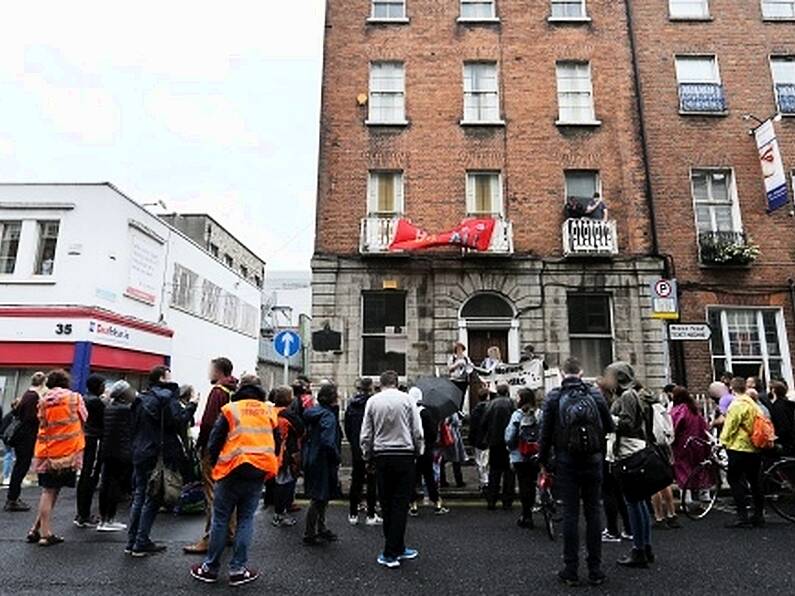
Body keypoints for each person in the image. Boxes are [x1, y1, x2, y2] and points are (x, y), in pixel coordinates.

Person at [190, 378, 279, 586]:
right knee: (245, 520)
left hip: (231, 470)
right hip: (257, 471)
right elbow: (275, 441)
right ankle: (238, 570)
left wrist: (213, 463)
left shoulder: (231, 409)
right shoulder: (268, 412)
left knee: (221, 519)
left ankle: (210, 569)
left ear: (239, 391)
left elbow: (215, 440)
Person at [540, 358, 613, 587]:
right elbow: (609, 426)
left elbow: (545, 433)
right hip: (593, 461)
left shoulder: (553, 396)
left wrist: (543, 461)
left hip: (566, 461)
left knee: (570, 514)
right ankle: (596, 570)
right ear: (581, 373)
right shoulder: (595, 395)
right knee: (593, 514)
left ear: (562, 374)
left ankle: (570, 570)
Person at [128, 365, 197, 557]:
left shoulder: (141, 398)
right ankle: (141, 542)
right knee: (154, 496)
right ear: (162, 377)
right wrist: (192, 405)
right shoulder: (167, 398)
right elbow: (179, 421)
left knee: (140, 495)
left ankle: (132, 541)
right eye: (169, 374)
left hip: (140, 451)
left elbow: (133, 425)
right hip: (159, 452)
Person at [360, 370, 424, 569]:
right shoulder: (407, 400)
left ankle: (397, 546)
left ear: (381, 383)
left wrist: (367, 455)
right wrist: (418, 450)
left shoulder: (372, 401)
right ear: (396, 383)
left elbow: (366, 433)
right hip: (404, 455)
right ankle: (391, 552)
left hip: (381, 456)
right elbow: (417, 430)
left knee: (387, 503)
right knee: (400, 503)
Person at [184, 357, 238, 555]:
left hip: (214, 448)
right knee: (228, 491)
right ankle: (230, 532)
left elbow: (208, 423)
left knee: (212, 494)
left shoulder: (218, 392)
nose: (209, 373)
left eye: (211, 369)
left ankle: (210, 538)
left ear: (219, 371)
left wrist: (203, 446)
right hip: (232, 448)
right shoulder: (235, 390)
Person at [27, 369, 88, 546]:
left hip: (46, 452)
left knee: (49, 490)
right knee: (51, 491)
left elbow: (41, 420)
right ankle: (46, 534)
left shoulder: (43, 401)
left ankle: (35, 529)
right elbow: (84, 417)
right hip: (68, 452)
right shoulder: (74, 398)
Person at [608, 362, 655, 569]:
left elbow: (627, 423)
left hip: (629, 453)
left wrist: (609, 419)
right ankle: (645, 547)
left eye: (610, 375)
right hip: (635, 451)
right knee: (639, 502)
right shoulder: (631, 395)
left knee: (633, 503)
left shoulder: (627, 396)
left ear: (619, 377)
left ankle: (638, 550)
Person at [720, 377, 765, 529]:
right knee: (755, 482)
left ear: (732, 389)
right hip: (755, 447)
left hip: (738, 447)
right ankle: (759, 515)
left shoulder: (736, 405)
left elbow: (730, 426)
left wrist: (722, 442)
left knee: (735, 480)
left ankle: (742, 517)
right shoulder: (753, 404)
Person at [302, 383, 342, 546]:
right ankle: (310, 533)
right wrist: (336, 456)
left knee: (321, 496)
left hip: (312, 457)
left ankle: (320, 528)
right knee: (319, 497)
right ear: (332, 398)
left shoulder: (313, 413)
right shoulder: (328, 416)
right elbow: (327, 441)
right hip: (323, 460)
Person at [4, 372, 47, 512]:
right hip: (26, 437)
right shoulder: (33, 397)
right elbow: (31, 418)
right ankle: (12, 499)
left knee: (19, 466)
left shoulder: (27, 394)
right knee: (21, 467)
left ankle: (13, 497)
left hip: (21, 436)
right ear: (42, 383)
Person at [597, 376, 631, 544]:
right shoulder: (617, 400)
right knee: (620, 492)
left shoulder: (605, 405)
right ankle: (629, 528)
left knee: (609, 491)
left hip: (609, 452)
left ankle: (612, 530)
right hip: (618, 452)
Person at [97, 380, 135, 532]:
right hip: (121, 452)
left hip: (108, 450)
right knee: (114, 485)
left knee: (106, 484)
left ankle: (103, 519)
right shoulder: (125, 410)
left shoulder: (109, 407)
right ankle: (109, 519)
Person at [344, 378, 381, 526]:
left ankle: (353, 513)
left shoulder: (351, 406)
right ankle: (371, 515)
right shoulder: (374, 405)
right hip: (371, 447)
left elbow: (347, 427)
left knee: (356, 480)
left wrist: (354, 442)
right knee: (372, 481)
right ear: (371, 388)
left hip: (356, 447)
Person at [505, 388, 542, 529]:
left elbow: (509, 437)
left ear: (521, 399)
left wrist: (511, 447)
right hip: (535, 454)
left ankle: (526, 515)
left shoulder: (517, 415)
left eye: (517, 396)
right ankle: (531, 509)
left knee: (523, 484)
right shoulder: (540, 413)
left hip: (519, 455)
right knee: (532, 484)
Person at [670, 386, 711, 512]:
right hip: (698, 443)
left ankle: (686, 499)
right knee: (698, 468)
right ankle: (704, 494)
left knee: (683, 470)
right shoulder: (694, 410)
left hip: (683, 444)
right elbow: (705, 426)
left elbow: (673, 428)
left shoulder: (678, 410)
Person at [409, 387, 448, 517]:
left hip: (411, 449)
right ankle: (436, 502)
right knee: (429, 476)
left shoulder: (408, 411)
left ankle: (413, 505)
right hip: (425, 448)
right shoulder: (425, 412)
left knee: (413, 478)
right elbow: (432, 433)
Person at [75, 374, 106, 528]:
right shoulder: (96, 402)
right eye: (103, 384)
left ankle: (81, 512)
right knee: (90, 476)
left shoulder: (84, 399)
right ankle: (84, 514)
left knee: (85, 476)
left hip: (85, 438)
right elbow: (104, 420)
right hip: (94, 440)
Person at [272, 385, 304, 528]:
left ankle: (279, 512)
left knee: (279, 482)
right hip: (285, 453)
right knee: (284, 483)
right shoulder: (288, 415)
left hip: (271, 452)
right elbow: (301, 431)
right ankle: (279, 514)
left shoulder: (270, 412)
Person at [482, 383, 516, 510]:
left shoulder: (490, 404)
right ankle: (507, 502)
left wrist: (487, 437)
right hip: (509, 443)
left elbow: (484, 422)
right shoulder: (512, 403)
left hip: (495, 442)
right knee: (509, 473)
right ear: (507, 392)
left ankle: (492, 500)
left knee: (494, 473)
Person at [469, 387, 491, 492]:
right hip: (488, 439)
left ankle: (483, 482)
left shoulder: (475, 410)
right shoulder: (490, 409)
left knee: (480, 462)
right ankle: (487, 481)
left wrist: (472, 439)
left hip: (478, 439)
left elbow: (472, 427)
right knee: (486, 462)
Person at [764, 381, 795, 454]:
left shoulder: (778, 406)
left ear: (773, 390)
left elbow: (783, 425)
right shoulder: (787, 404)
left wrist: (776, 437)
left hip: (784, 442)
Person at [439, 412, 466, 489]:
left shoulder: (439, 411)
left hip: (443, 436)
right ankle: (459, 480)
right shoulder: (452, 411)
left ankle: (442, 480)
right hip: (451, 436)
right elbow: (456, 421)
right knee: (455, 460)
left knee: (442, 460)